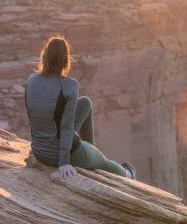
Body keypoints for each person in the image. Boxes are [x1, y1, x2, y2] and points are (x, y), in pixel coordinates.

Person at [25, 35, 136, 180]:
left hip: (39, 151)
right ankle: (129, 174)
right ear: (65, 59)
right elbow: (66, 126)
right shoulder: (69, 86)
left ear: (45, 55)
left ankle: (89, 150)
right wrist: (64, 162)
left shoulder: (32, 80)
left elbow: (33, 116)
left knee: (85, 103)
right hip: (61, 156)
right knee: (102, 161)